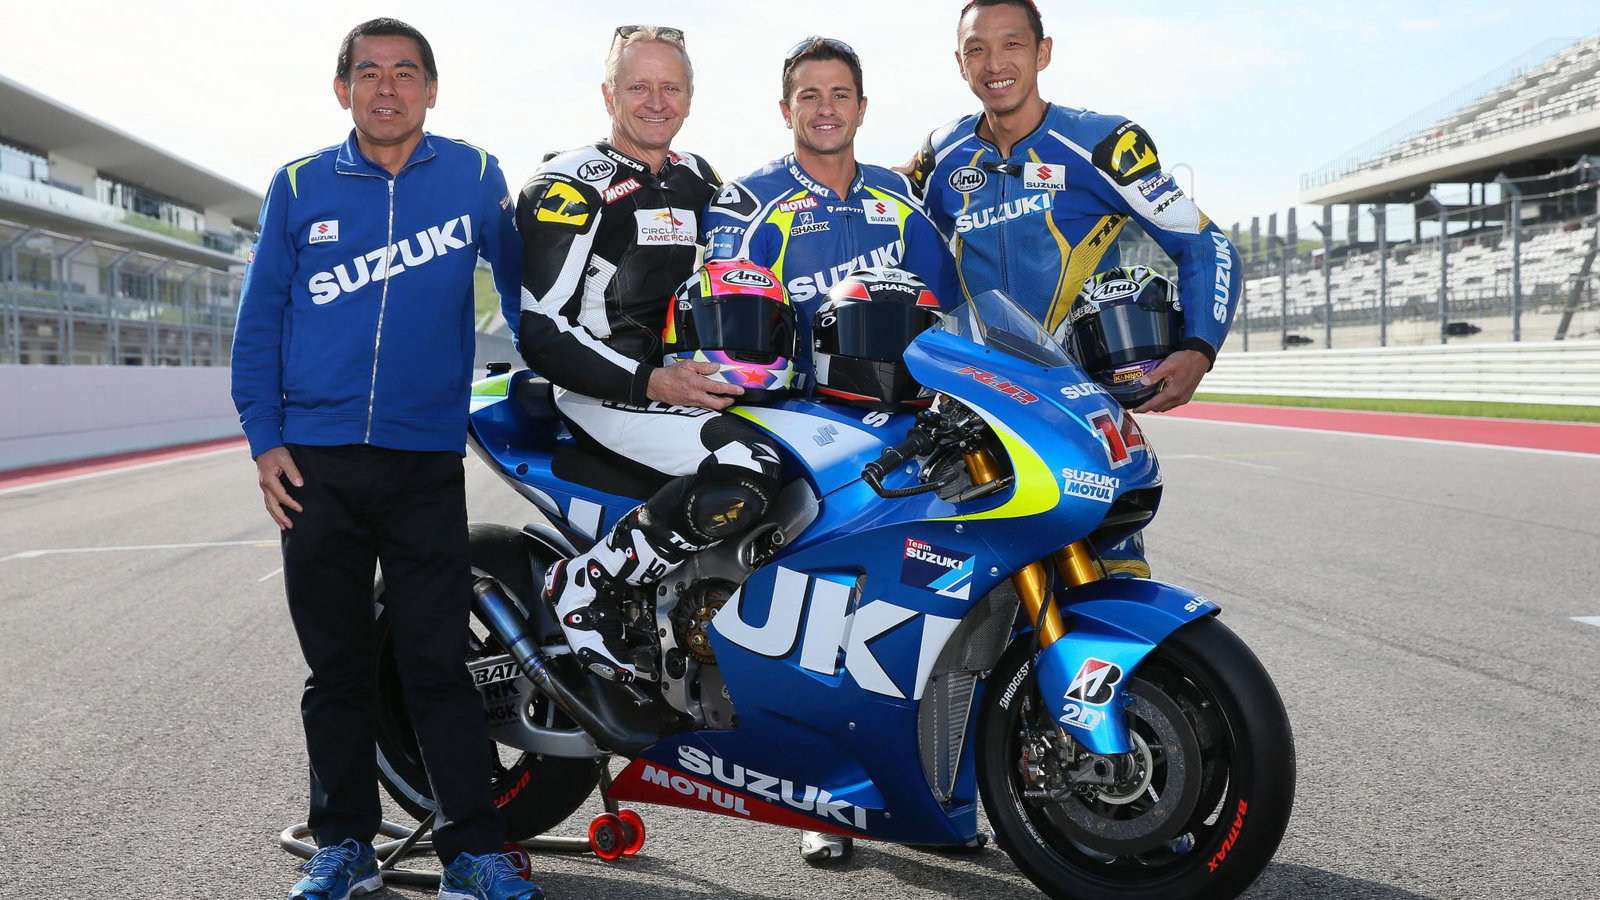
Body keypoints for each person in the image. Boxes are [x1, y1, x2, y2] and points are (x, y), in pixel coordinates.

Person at [230, 18, 542, 900]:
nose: (388, 88)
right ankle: (343, 845)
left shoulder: (477, 175)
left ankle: (473, 850)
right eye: (369, 73)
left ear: (432, 91)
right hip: (316, 468)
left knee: (433, 664)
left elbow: (525, 299)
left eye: (406, 73)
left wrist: (567, 379)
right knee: (335, 670)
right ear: (343, 91)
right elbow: (258, 328)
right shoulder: (297, 186)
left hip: (420, 464)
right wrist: (265, 441)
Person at [908, 0, 1243, 578]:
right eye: (976, 49)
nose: (994, 63)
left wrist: (1199, 346)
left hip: (1079, 411)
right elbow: (878, 216)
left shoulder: (1104, 142)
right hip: (973, 410)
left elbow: (1206, 244)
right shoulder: (940, 153)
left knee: (1105, 582)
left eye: (1011, 44)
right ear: (960, 64)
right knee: (969, 595)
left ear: (1043, 52)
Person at [515, 27, 785, 688]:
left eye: (671, 87)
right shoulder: (567, 186)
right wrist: (653, 382)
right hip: (605, 391)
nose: (655, 101)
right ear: (610, 94)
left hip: (684, 388)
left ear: (690, 97)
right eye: (639, 86)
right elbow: (540, 330)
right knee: (751, 466)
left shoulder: (699, 178)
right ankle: (584, 583)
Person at [702, 36, 960, 367]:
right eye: (810, 97)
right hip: (789, 408)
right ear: (786, 111)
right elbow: (729, 343)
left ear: (861, 108)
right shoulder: (747, 204)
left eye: (840, 95)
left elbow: (946, 313)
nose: (826, 109)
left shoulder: (901, 194)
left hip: (897, 402)